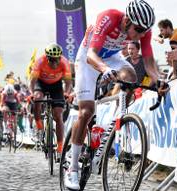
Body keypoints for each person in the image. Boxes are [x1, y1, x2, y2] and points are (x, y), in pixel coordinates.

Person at [65, 0, 169, 190]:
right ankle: (72, 168)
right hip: (89, 57)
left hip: (112, 57)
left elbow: (148, 62)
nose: (141, 35)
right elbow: (92, 55)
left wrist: (158, 80)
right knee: (86, 110)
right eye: (138, 30)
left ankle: (118, 118)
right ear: (127, 20)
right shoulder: (109, 17)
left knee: (130, 76)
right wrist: (104, 69)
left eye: (145, 31)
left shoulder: (142, 29)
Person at [29, 43, 73, 161]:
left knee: (58, 115)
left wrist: (67, 93)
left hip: (56, 86)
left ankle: (59, 148)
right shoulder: (39, 62)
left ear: (60, 58)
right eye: (52, 60)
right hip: (41, 84)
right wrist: (31, 93)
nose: (54, 63)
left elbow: (68, 83)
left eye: (56, 60)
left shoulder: (64, 62)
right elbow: (32, 81)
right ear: (47, 57)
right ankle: (39, 125)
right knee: (38, 97)